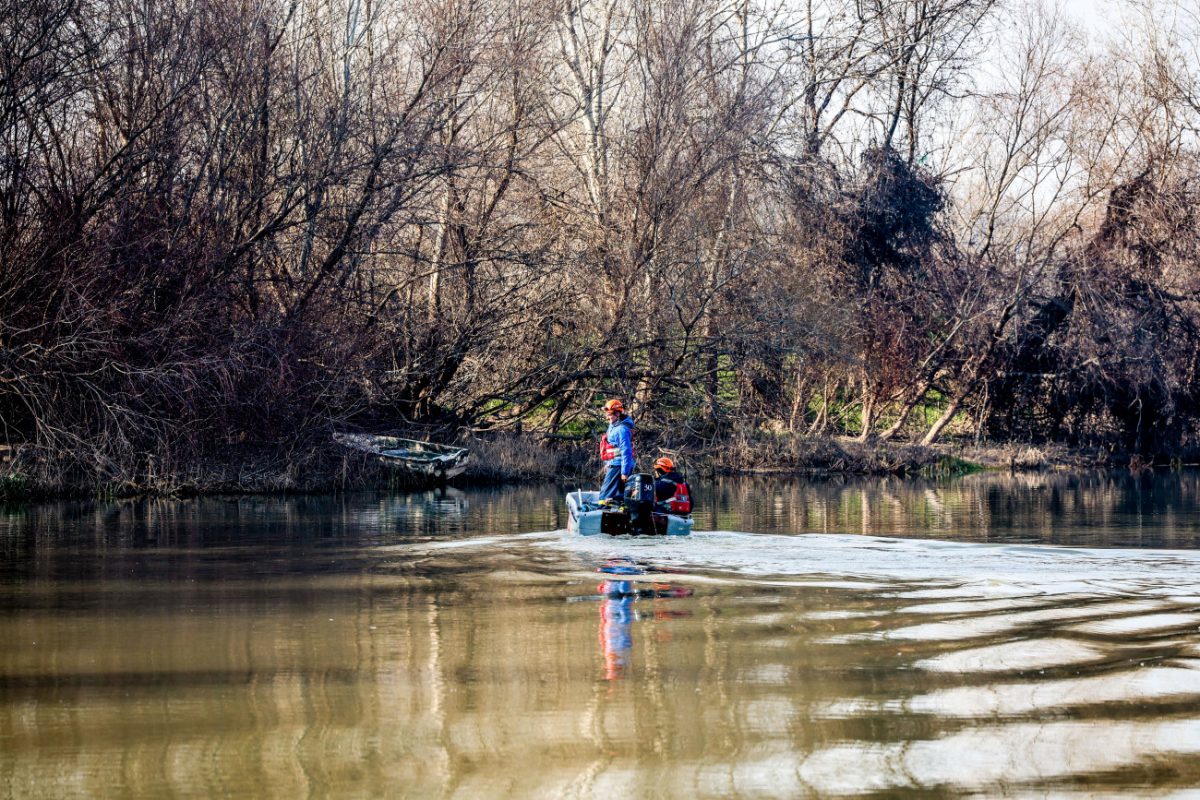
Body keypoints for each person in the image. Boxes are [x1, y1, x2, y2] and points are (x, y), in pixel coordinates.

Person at [598, 398, 635, 502]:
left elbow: (626, 451)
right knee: (619, 494)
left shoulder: (622, 429)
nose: (607, 417)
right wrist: (608, 463)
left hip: (619, 466)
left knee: (605, 496)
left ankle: (602, 510)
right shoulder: (613, 425)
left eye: (609, 414)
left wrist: (624, 472)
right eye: (607, 414)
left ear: (618, 414)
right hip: (614, 463)